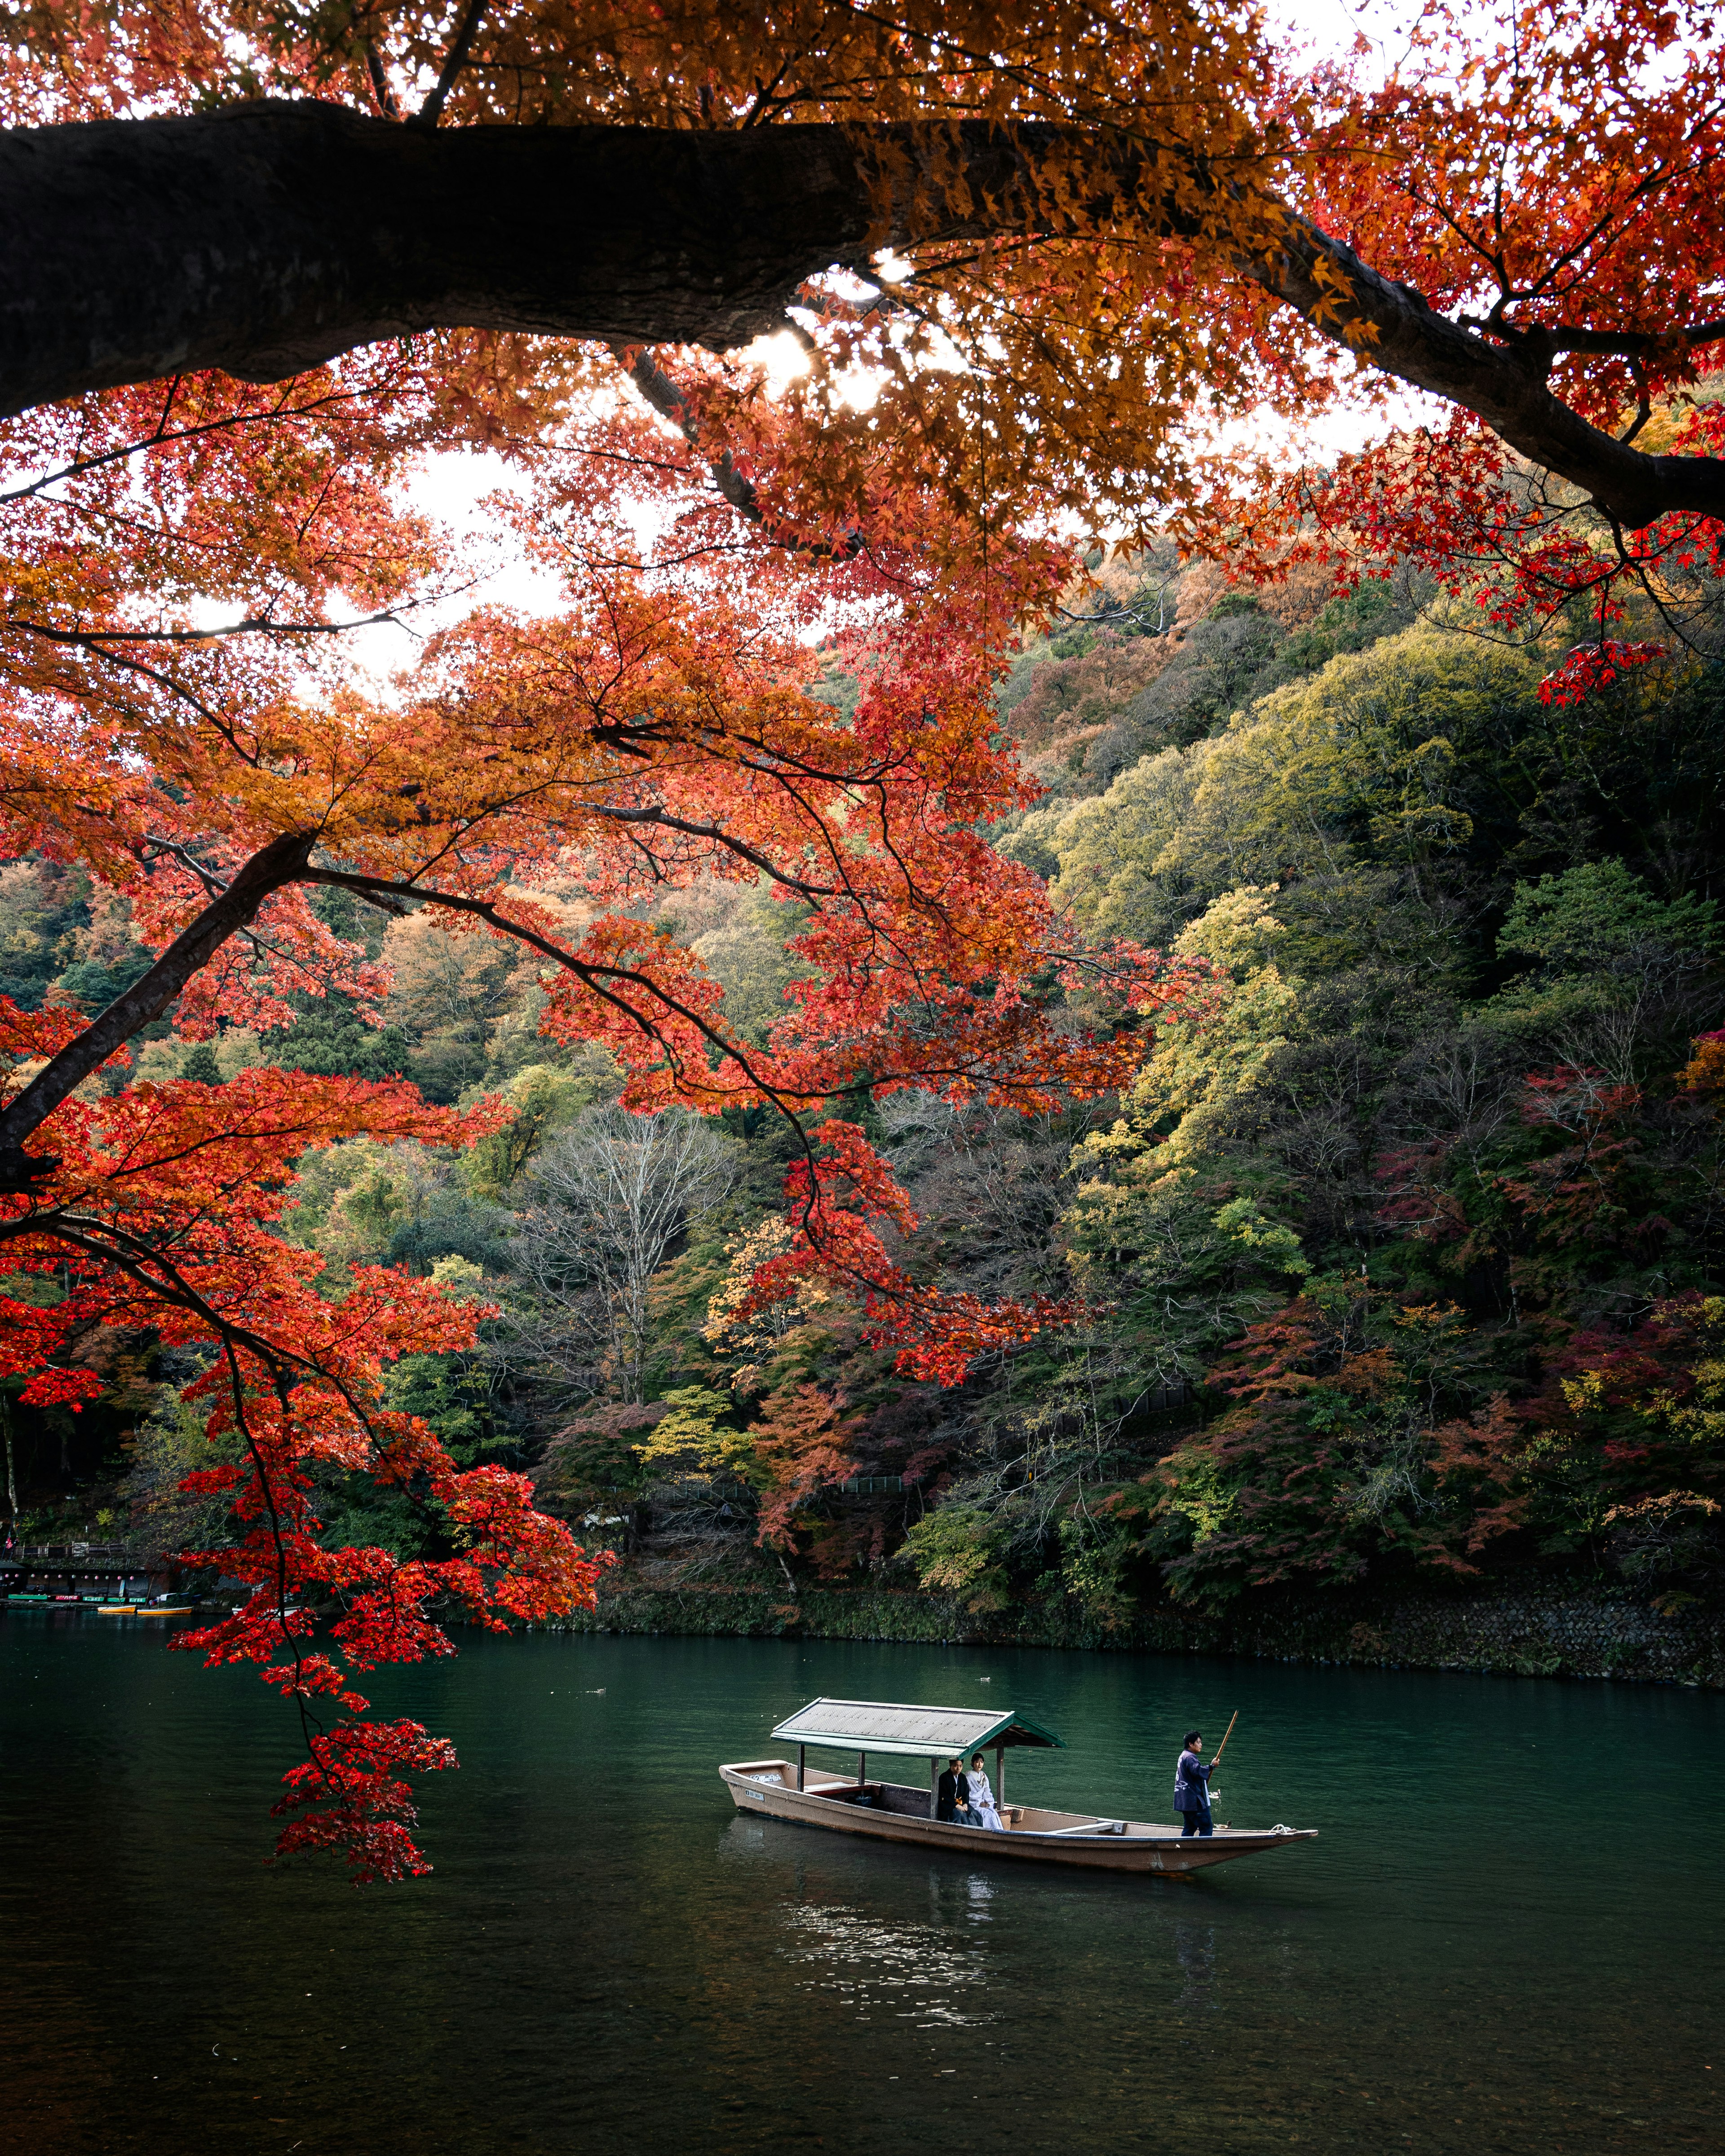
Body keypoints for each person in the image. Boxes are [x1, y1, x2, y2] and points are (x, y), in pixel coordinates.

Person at [1174, 1729, 1214, 1837]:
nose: (1201, 1745)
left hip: (1185, 1801)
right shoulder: (1190, 1757)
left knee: (1190, 1827)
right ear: (1191, 1744)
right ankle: (1203, 1853)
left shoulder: (1183, 1756)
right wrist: (1212, 1766)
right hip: (1193, 1801)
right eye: (1198, 1742)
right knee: (1207, 1827)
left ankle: (1184, 1850)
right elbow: (1197, 1771)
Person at [967, 1752, 1006, 1831]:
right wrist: (978, 1803)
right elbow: (968, 1793)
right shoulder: (968, 1776)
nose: (980, 1764)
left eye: (982, 1762)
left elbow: (987, 1791)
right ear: (973, 1763)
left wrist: (988, 1803)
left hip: (982, 1803)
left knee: (993, 1813)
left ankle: (998, 1831)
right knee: (988, 1814)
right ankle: (989, 1832)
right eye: (977, 1762)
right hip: (974, 1804)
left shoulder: (984, 1776)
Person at [936, 1757, 974, 1824]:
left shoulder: (962, 1777)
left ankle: (977, 1831)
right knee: (959, 1814)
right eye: (956, 1766)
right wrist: (956, 1806)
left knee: (973, 1812)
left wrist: (965, 1804)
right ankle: (965, 1832)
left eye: (960, 1766)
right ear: (951, 1765)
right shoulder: (944, 1777)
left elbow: (966, 1792)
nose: (958, 1769)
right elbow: (944, 1796)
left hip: (960, 1803)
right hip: (947, 1806)